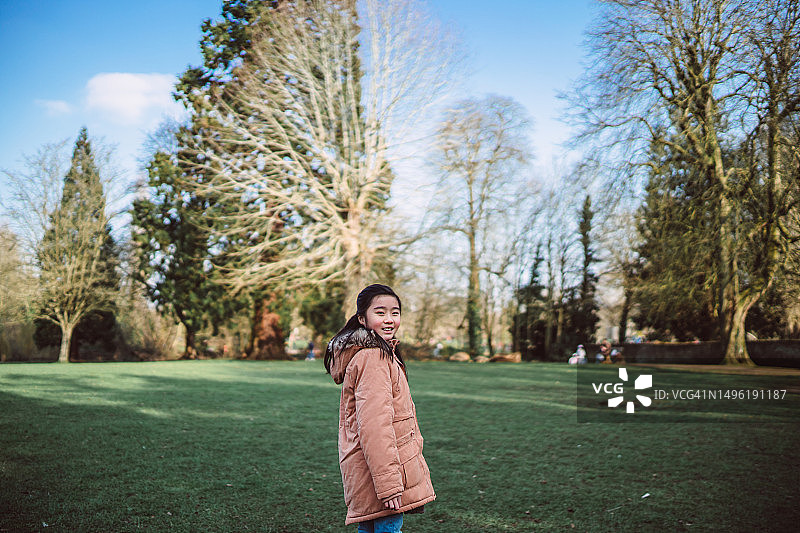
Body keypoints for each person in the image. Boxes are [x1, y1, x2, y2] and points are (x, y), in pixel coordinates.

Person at [325, 284, 436, 532]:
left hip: (369, 471)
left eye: (395, 312)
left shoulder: (377, 353)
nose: (389, 319)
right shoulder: (373, 358)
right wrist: (388, 485)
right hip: (380, 477)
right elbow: (375, 426)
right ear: (362, 319)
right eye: (380, 312)